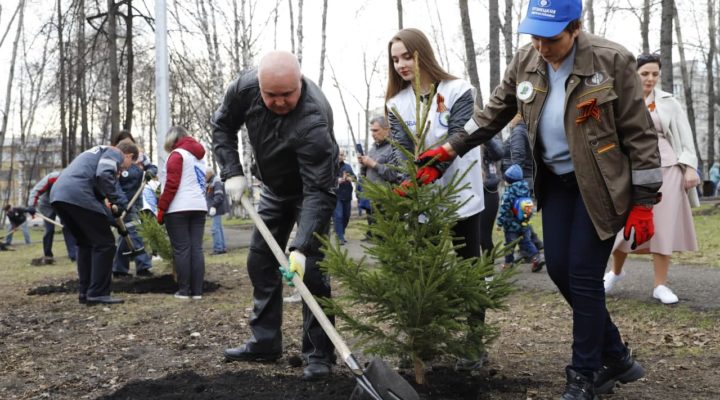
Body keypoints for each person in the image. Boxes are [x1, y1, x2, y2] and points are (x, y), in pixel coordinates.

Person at [414, 1, 661, 398]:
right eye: (535, 36)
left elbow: (640, 134)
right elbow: (491, 114)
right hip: (557, 183)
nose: (541, 46)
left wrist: (645, 200)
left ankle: (584, 376)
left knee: (582, 275)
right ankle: (616, 355)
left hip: (599, 186)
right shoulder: (526, 60)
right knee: (561, 271)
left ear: (575, 28)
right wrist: (450, 150)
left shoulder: (612, 60)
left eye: (551, 38)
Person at [211, 51, 339, 381]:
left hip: (310, 190)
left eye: (288, 94)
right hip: (273, 188)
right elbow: (223, 126)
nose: (280, 102)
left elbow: (319, 192)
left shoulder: (314, 122)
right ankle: (265, 342)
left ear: (300, 82)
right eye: (272, 95)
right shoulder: (244, 89)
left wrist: (301, 247)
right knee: (260, 260)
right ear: (259, 85)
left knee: (310, 270)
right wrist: (232, 172)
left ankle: (318, 354)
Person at [385, 28, 485, 369]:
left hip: (462, 193)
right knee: (421, 270)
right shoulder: (395, 104)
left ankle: (474, 344)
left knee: (469, 265)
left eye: (405, 56)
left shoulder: (459, 90)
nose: (400, 64)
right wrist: (405, 182)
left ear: (421, 53)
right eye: (394, 59)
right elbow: (400, 150)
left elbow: (459, 135)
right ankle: (422, 343)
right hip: (420, 199)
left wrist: (431, 171)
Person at [604, 53, 700, 305]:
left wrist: (689, 168)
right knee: (623, 225)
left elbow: (685, 138)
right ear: (634, 73)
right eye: (645, 73)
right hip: (629, 168)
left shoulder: (669, 102)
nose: (650, 79)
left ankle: (660, 285)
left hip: (667, 168)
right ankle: (615, 272)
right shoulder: (619, 99)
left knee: (663, 228)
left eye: (655, 74)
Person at [50, 142, 138, 305]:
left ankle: (85, 292)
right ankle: (98, 293)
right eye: (126, 167)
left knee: (86, 244)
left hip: (59, 195)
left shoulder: (95, 153)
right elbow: (105, 174)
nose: (123, 171)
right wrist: (116, 199)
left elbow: (98, 194)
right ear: (128, 156)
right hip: (78, 195)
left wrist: (113, 218)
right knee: (105, 243)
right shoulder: (114, 152)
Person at [157, 126, 208, 300]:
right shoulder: (199, 158)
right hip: (199, 206)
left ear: (172, 140)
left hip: (178, 208)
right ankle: (197, 291)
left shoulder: (177, 155)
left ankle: (184, 291)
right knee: (196, 249)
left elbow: (171, 184)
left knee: (182, 249)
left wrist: (162, 208)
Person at [111, 130, 157, 278]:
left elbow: (152, 167)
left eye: (129, 142)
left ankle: (119, 269)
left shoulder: (140, 156)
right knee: (135, 231)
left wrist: (150, 172)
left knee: (127, 235)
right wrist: (121, 202)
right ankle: (143, 267)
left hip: (137, 200)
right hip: (121, 201)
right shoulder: (114, 158)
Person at [502, 114, 544, 252]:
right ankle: (534, 245)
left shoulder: (519, 131)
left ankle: (531, 252)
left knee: (517, 219)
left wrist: (513, 181)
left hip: (521, 181)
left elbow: (518, 156)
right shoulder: (528, 130)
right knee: (521, 217)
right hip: (528, 180)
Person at [496, 164, 545, 272]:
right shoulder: (525, 189)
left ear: (509, 181)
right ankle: (537, 258)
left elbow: (504, 209)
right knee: (527, 242)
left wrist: (499, 223)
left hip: (511, 226)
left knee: (509, 245)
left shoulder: (508, 193)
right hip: (524, 224)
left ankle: (508, 264)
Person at [357, 115, 395, 239]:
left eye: (375, 130)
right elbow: (367, 171)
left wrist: (373, 164)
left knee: (387, 238)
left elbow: (394, 174)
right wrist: (363, 164)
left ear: (387, 130)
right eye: (371, 131)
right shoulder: (373, 148)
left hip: (387, 200)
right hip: (372, 199)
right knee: (377, 239)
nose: (372, 134)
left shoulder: (394, 148)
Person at [28, 170, 78, 263]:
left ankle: (73, 254)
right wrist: (31, 205)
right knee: (49, 229)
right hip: (46, 204)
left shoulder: (73, 181)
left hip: (61, 203)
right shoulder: (52, 177)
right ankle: (48, 255)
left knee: (68, 227)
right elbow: (36, 190)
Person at [478, 136, 504, 255]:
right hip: (468, 190)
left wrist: (483, 134)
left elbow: (498, 153)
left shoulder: (490, 132)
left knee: (484, 236)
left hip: (488, 191)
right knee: (470, 237)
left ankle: (488, 272)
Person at [333, 149, 355, 245]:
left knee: (346, 216)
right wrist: (338, 180)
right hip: (336, 196)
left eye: (341, 155)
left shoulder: (348, 167)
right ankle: (340, 237)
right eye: (338, 155)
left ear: (344, 156)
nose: (340, 156)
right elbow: (327, 179)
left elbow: (355, 178)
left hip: (347, 195)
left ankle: (341, 233)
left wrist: (351, 178)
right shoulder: (331, 167)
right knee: (338, 216)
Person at [205, 168, 228, 255]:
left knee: (215, 229)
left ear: (210, 173)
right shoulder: (210, 182)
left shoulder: (216, 181)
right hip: (215, 209)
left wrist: (213, 206)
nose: (204, 176)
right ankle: (222, 248)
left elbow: (219, 196)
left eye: (206, 174)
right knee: (218, 229)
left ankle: (218, 249)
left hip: (216, 209)